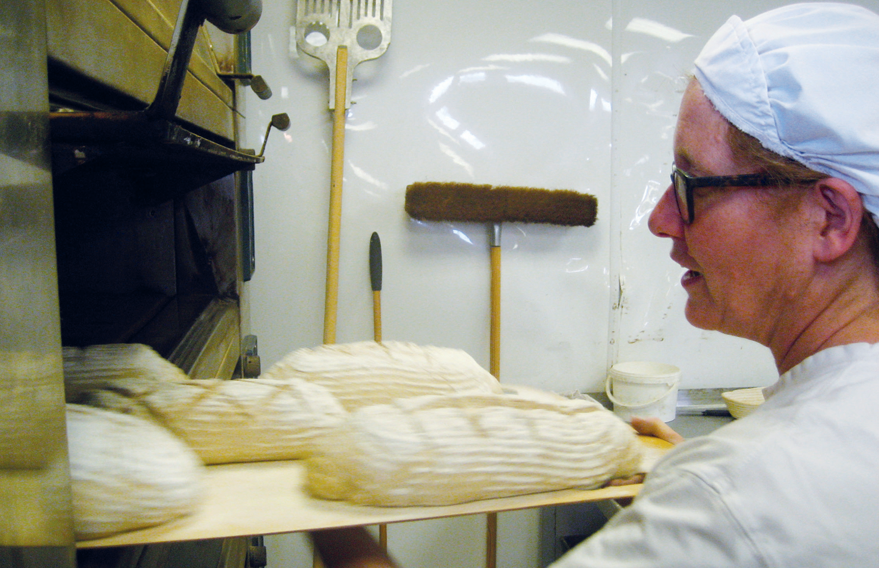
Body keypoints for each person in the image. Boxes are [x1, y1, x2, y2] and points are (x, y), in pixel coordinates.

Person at [311, 3, 879, 566]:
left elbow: (749, 511)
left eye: (692, 185)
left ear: (829, 219)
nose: (660, 219)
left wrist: (320, 507)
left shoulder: (734, 501)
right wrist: (691, 476)